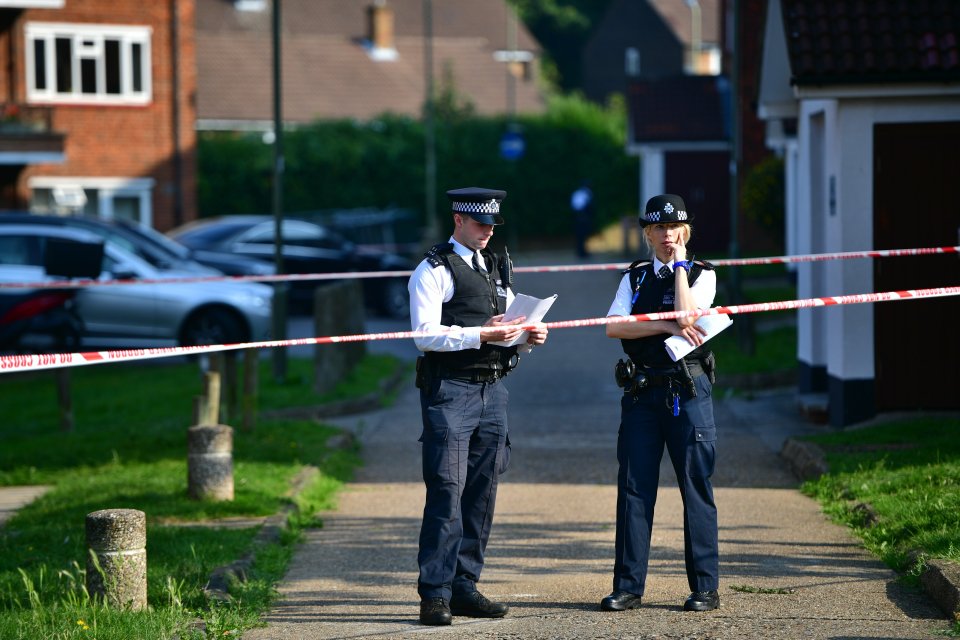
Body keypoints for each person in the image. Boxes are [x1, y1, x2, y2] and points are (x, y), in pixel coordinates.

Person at [408, 186, 549, 626]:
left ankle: (465, 585)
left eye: (492, 225)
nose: (488, 232)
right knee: (447, 490)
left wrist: (528, 335)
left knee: (482, 492)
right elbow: (424, 335)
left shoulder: (493, 265)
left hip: (492, 391)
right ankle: (434, 593)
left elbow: (505, 321)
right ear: (457, 219)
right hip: (450, 391)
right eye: (480, 224)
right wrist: (479, 334)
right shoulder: (432, 271)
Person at [600, 193, 721, 613]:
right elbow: (614, 327)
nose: (667, 235)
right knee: (634, 489)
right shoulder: (633, 278)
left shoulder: (703, 274)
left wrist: (680, 271)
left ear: (684, 232)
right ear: (647, 233)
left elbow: (690, 319)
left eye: (674, 228)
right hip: (642, 394)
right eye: (659, 228)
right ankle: (628, 587)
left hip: (687, 393)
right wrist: (666, 323)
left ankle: (705, 587)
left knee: (695, 487)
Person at [570, 180, 594, 259]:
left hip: (579, 216)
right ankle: (582, 252)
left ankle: (582, 251)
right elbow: (587, 206)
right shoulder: (586, 193)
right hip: (582, 216)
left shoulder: (577, 193)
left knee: (581, 235)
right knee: (582, 235)